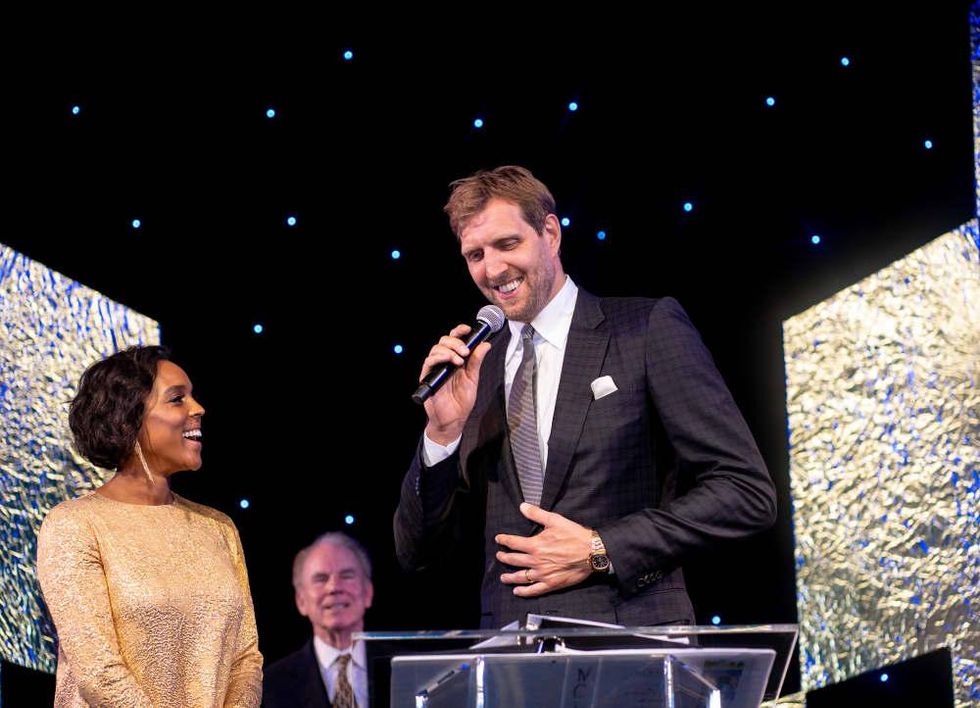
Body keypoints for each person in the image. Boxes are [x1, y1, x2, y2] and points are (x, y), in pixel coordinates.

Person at [394, 165, 777, 629]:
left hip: (633, 640)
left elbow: (744, 492)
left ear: (550, 234)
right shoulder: (475, 371)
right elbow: (416, 552)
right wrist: (442, 432)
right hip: (513, 658)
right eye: (475, 254)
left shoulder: (643, 329)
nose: (492, 270)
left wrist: (602, 548)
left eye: (507, 244)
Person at [36, 345, 263, 707]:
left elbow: (246, 657)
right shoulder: (75, 525)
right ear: (128, 419)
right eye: (177, 399)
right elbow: (99, 671)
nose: (198, 409)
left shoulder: (218, 528)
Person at [263, 532, 375, 708]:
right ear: (301, 601)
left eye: (346, 576)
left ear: (368, 592)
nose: (334, 587)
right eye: (321, 579)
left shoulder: (407, 667)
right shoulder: (268, 688)